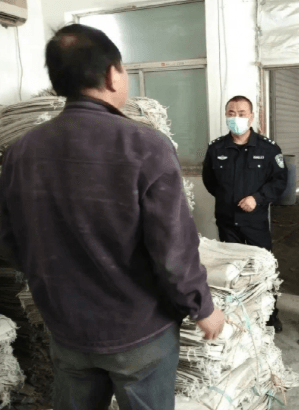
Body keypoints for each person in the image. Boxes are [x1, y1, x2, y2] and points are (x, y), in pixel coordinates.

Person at [0, 24, 225, 410]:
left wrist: (55, 283)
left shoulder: (21, 151)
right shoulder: (146, 146)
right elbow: (173, 250)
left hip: (66, 329)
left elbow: (9, 240)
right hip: (139, 333)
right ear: (111, 74)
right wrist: (202, 307)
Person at [202, 96, 287, 332]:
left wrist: (257, 198)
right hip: (227, 222)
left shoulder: (268, 149)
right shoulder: (216, 148)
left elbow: (279, 181)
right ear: (226, 115)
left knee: (263, 268)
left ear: (251, 117)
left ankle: (270, 314)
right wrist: (227, 199)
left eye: (241, 113)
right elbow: (210, 182)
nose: (236, 117)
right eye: (231, 113)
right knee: (231, 270)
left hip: (255, 222)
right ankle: (239, 313)